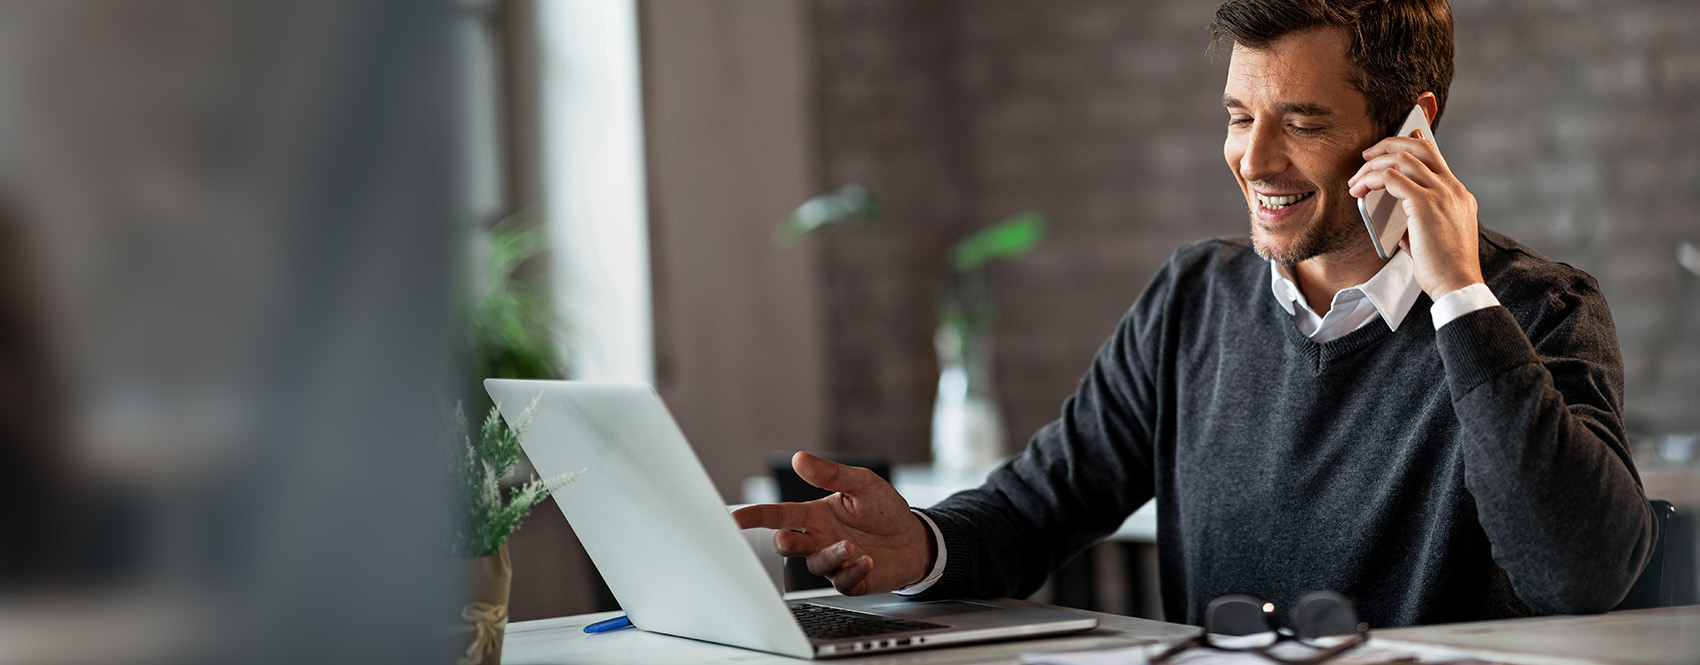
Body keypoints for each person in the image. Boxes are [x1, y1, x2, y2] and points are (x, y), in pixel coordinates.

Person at [734, 0, 1656, 629]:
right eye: (1236, 115)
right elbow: (1035, 508)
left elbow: (1576, 575)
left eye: (1299, 121)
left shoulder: (1533, 309)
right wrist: (922, 543)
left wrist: (1458, 291)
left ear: (1412, 127)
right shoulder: (1192, 301)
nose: (1253, 160)